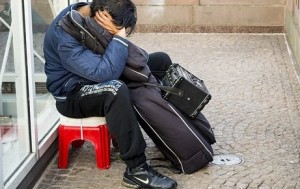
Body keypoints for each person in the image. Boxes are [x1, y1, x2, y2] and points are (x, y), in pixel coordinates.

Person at [43, 0, 177, 189]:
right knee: (115, 89)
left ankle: (173, 135)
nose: (111, 33)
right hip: (72, 94)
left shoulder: (94, 12)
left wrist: (119, 37)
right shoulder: (65, 35)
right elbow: (105, 74)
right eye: (114, 29)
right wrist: (119, 37)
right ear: (102, 19)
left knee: (160, 61)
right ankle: (136, 170)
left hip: (93, 77)